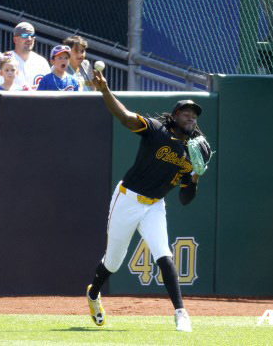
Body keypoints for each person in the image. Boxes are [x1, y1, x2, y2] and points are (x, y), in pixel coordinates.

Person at [86, 70, 206, 333]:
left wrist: (195, 178)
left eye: (194, 114)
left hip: (154, 205)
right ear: (175, 116)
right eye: (185, 112)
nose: (191, 116)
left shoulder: (191, 154)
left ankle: (180, 312)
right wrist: (105, 90)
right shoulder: (157, 130)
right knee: (114, 262)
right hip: (127, 198)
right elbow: (125, 117)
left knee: (164, 254)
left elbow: (186, 198)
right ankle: (94, 294)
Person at [0, 22, 50, 90]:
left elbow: (50, 88)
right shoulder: (4, 58)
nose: (29, 39)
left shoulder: (42, 62)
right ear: (15, 40)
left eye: (31, 35)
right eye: (25, 35)